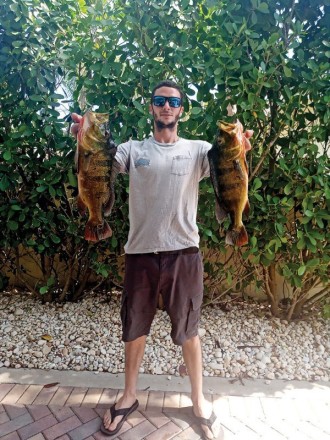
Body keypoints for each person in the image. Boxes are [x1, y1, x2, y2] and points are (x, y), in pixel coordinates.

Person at [72, 80, 221, 439]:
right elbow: (97, 163)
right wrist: (81, 139)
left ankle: (198, 399)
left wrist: (240, 146)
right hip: (140, 254)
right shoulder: (131, 150)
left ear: (181, 109)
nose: (166, 106)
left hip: (184, 254)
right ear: (151, 108)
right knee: (134, 328)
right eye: (160, 101)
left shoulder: (199, 150)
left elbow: (229, 162)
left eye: (173, 101)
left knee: (189, 330)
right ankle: (128, 396)